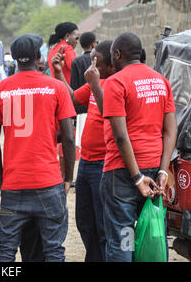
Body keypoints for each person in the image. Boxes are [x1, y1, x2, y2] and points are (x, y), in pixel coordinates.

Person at [0, 33, 76, 262]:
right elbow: (67, 137)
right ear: (39, 56)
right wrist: (68, 177)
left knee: (6, 250)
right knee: (54, 250)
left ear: (15, 59)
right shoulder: (56, 88)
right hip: (48, 183)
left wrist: (1, 179)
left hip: (14, 184)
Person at [97, 32, 177, 262]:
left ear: (118, 54)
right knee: (151, 235)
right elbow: (170, 131)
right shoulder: (161, 81)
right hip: (154, 170)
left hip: (123, 174)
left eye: (112, 55)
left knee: (124, 236)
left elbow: (121, 136)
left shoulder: (116, 81)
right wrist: (163, 171)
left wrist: (136, 177)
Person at [52, 40, 115, 262]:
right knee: (84, 220)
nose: (92, 62)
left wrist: (95, 84)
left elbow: (111, 115)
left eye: (96, 59)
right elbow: (72, 98)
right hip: (87, 163)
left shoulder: (115, 85)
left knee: (102, 223)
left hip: (104, 165)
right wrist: (59, 74)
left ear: (111, 61)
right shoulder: (94, 84)